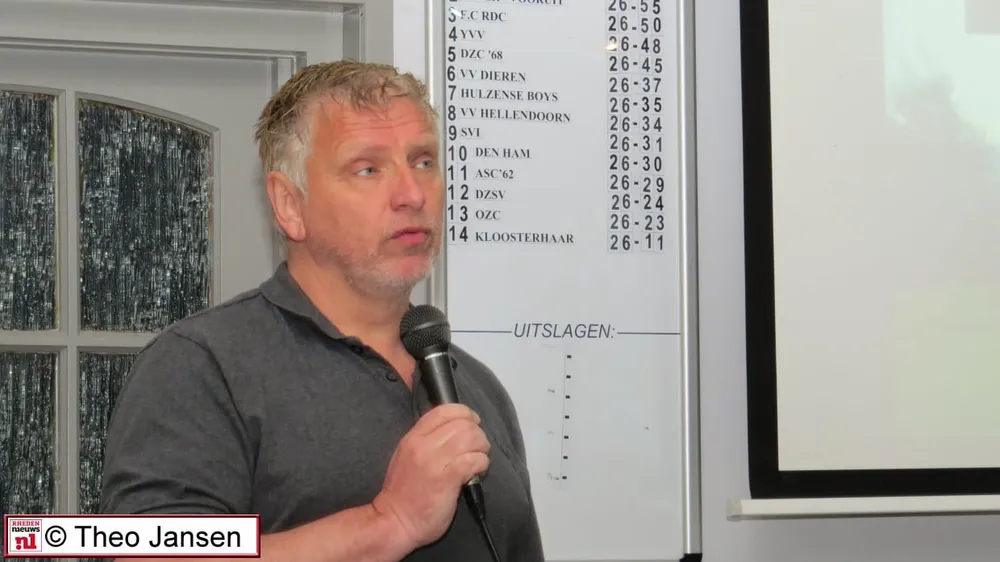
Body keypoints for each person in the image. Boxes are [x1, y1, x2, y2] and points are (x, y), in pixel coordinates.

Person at [99, 60, 545, 561]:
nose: (412, 194)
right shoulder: (202, 366)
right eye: (368, 169)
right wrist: (389, 521)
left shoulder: (478, 387)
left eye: (423, 161)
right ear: (289, 204)